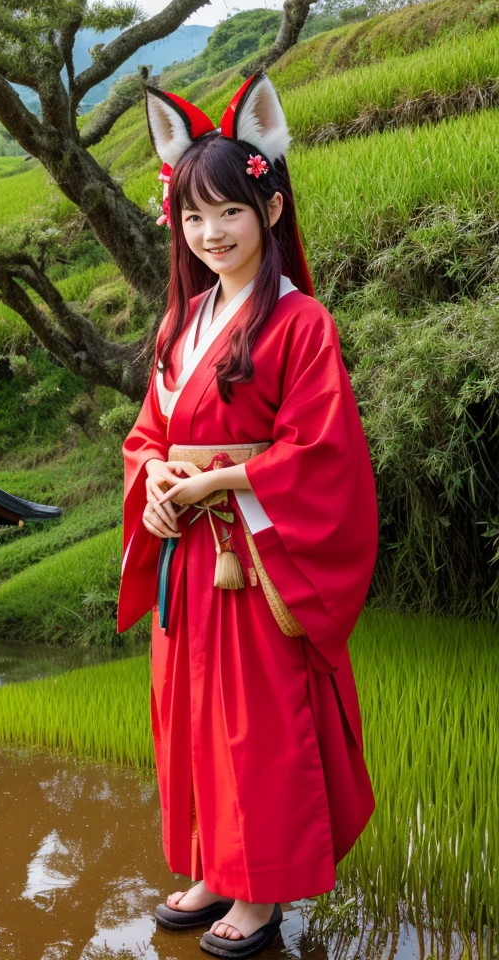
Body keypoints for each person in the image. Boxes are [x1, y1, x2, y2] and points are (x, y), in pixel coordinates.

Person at [118, 73, 377, 959]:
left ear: (268, 206)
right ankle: (213, 867)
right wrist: (153, 480)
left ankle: (261, 894)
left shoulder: (303, 322)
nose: (211, 233)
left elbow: (319, 451)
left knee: (255, 725)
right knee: (189, 716)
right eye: (193, 218)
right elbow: (146, 433)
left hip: (256, 556)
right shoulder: (180, 324)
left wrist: (219, 483)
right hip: (187, 558)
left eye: (228, 211)